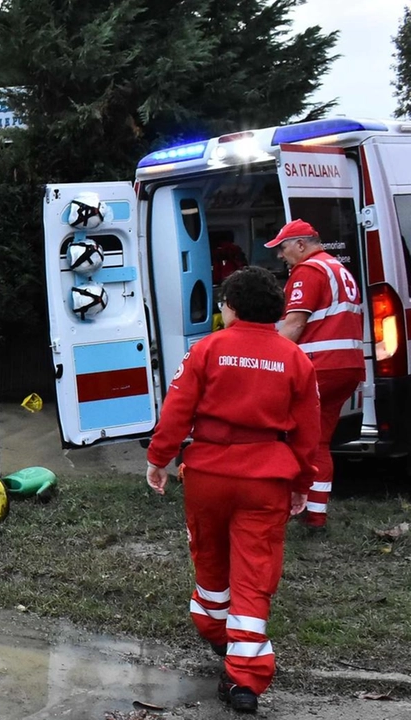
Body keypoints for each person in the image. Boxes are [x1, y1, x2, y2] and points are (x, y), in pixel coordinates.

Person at [146, 266, 320, 714]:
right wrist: (302, 482)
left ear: (232, 308)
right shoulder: (296, 359)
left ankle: (214, 630)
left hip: (208, 475)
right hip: (266, 479)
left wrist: (159, 458)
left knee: (209, 557)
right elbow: (308, 432)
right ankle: (245, 679)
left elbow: (177, 408)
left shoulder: (208, 349)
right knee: (254, 572)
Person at [266, 219, 364, 530]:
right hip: (347, 367)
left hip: (318, 366)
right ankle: (315, 515)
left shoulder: (308, 271)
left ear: (300, 244)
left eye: (283, 248)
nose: (281, 256)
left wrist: (263, 358)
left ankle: (280, 508)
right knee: (319, 442)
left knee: (284, 436)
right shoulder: (338, 269)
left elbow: (294, 324)